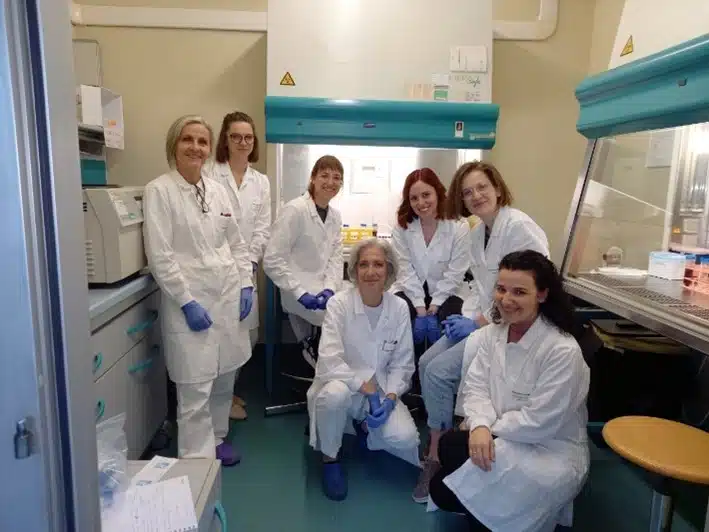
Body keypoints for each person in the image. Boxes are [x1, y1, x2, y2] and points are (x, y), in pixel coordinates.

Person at [414, 160, 549, 502]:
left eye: (482, 188)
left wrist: (477, 323)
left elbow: (525, 292)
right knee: (427, 362)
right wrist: (467, 317)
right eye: (468, 192)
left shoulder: (520, 229)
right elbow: (479, 286)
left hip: (514, 325)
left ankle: (436, 454)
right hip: (485, 319)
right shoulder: (477, 233)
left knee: (440, 373)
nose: (475, 196)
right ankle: (442, 437)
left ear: (498, 189)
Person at [428, 250, 590, 531]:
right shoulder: (495, 334)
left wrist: (487, 429)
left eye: (519, 292)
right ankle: (489, 510)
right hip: (502, 436)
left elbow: (538, 423)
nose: (506, 299)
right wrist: (478, 426)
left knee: (448, 473)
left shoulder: (561, 350)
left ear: (541, 294)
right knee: (447, 455)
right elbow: (476, 387)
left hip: (547, 450)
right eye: (501, 289)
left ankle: (499, 512)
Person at [143, 115, 253, 467]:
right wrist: (187, 301)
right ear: (174, 145)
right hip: (188, 301)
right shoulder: (159, 190)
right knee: (194, 387)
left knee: (223, 377)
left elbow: (236, 242)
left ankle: (218, 437)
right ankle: (195, 461)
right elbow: (160, 255)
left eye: (202, 141)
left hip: (226, 297)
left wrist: (247, 283)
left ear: (209, 148)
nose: (195, 147)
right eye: (187, 140)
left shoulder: (216, 188)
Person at [306, 238, 420, 501]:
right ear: (354, 270)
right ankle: (330, 459)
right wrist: (362, 386)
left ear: (389, 270)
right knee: (335, 397)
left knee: (405, 439)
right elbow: (329, 359)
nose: (371, 272)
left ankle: (361, 425)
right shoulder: (339, 304)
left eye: (378, 264)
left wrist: (391, 397)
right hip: (341, 382)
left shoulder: (399, 307)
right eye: (364, 264)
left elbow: (403, 363)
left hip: (380, 390)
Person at [208, 111, 271, 421]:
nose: (243, 142)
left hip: (245, 267)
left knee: (247, 335)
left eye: (248, 137)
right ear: (226, 139)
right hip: (217, 268)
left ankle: (229, 391)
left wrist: (248, 262)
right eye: (236, 136)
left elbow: (262, 228)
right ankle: (218, 403)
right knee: (222, 336)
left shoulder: (261, 182)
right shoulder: (209, 174)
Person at [263, 155, 344, 363]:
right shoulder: (295, 209)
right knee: (339, 315)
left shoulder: (335, 216)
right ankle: (319, 357)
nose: (330, 182)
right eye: (324, 175)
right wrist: (299, 293)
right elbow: (272, 260)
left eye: (336, 177)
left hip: (323, 287)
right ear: (313, 178)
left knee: (357, 303)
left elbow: (335, 259)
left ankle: (331, 360)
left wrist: (330, 289)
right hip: (297, 289)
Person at [391, 167, 470, 353]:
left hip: (449, 290)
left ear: (438, 192)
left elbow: (455, 272)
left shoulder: (458, 225)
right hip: (409, 288)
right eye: (414, 198)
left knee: (449, 322)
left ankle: (438, 375)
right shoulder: (402, 227)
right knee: (401, 318)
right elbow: (404, 269)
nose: (421, 203)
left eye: (426, 195)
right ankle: (407, 377)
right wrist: (419, 308)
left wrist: (434, 306)